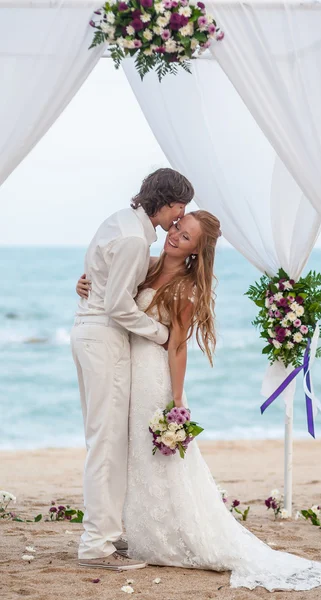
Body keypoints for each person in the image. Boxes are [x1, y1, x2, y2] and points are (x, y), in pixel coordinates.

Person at [76, 209, 321, 591]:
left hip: (153, 376)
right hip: (124, 365)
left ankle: (167, 535)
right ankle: (134, 530)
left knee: (157, 458)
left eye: (186, 237)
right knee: (130, 453)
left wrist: (178, 398)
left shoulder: (184, 287)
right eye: (178, 227)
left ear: (195, 252)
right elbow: (111, 287)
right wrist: (85, 284)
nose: (176, 235)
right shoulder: (146, 266)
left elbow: (177, 345)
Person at [70, 168, 194, 570]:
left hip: (94, 333)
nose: (179, 217)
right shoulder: (133, 238)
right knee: (106, 443)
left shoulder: (123, 225)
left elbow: (103, 281)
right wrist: (160, 334)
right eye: (179, 207)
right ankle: (96, 546)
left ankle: (107, 533)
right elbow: (118, 306)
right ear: (165, 200)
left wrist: (88, 285)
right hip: (104, 337)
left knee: (107, 440)